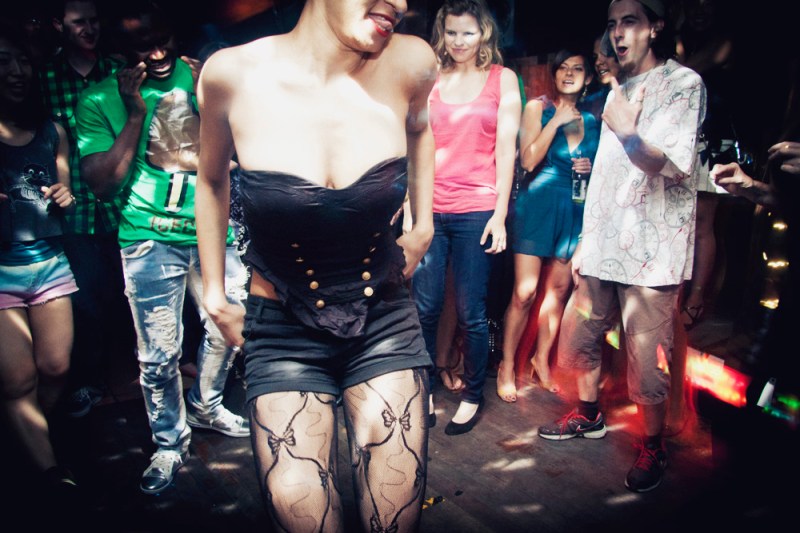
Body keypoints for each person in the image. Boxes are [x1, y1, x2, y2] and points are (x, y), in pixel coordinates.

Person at [194, 0, 436, 531]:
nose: (399, 3)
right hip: (281, 330)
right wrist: (214, 293)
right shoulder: (231, 75)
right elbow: (210, 180)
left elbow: (420, 129)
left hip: (384, 321)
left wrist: (424, 225)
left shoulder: (412, 61)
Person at [75, 1, 249, 495]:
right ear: (119, 50)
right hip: (148, 237)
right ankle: (169, 442)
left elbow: (241, 150)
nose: (155, 53)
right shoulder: (98, 99)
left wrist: (205, 94)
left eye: (162, 40)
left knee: (232, 324)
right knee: (158, 354)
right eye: (141, 46)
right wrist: (134, 113)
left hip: (213, 229)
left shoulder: (203, 80)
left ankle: (206, 404)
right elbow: (103, 184)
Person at [538, 0, 706, 494]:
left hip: (653, 250)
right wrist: (586, 239)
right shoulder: (617, 88)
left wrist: (629, 132)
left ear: (655, 27)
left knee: (646, 357)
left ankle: (653, 445)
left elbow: (669, 165)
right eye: (612, 24)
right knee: (581, 337)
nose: (617, 33)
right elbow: (606, 174)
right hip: (602, 241)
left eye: (629, 21)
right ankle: (589, 414)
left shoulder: (683, 84)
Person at [412, 0, 521, 434]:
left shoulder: (502, 78)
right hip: (430, 207)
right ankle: (420, 391)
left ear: (484, 34)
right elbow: (416, 143)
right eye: (452, 32)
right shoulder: (431, 76)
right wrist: (411, 208)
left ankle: (473, 394)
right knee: (425, 307)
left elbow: (506, 149)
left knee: (471, 311)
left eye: (468, 33)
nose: (459, 41)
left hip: (477, 208)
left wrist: (500, 213)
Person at [39, 0, 133, 418]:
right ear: (59, 25)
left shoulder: (119, 71)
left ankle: (146, 372)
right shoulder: (43, 78)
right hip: (73, 209)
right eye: (79, 22)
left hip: (123, 202)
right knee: (86, 301)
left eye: (94, 20)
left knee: (132, 291)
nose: (89, 29)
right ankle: (91, 381)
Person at [0, 26, 78, 491]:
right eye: (3, 61)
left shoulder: (52, 131)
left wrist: (65, 195)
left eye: (23, 61)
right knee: (17, 380)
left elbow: (64, 188)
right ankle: (50, 474)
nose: (16, 71)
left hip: (50, 264)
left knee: (55, 368)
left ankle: (22, 443)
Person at [497, 49, 599, 403]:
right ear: (554, 74)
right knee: (524, 293)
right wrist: (555, 122)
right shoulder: (537, 109)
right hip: (537, 207)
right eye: (563, 68)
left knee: (557, 292)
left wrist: (590, 169)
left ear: (588, 77)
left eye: (577, 68)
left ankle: (540, 361)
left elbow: (600, 173)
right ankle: (507, 365)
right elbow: (527, 160)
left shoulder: (593, 121)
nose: (569, 74)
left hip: (573, 210)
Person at [585, 33, 621, 122]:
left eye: (606, 54)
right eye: (595, 57)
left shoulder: (640, 92)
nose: (598, 62)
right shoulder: (591, 102)